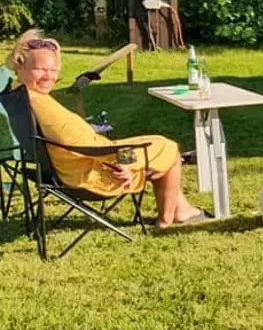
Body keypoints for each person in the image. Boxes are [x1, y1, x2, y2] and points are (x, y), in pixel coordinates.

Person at [5, 29, 210, 228]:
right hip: (92, 175)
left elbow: (78, 142)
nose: (48, 77)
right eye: (41, 69)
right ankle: (167, 220)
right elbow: (87, 146)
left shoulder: (20, 95)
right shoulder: (40, 103)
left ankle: (181, 210)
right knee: (169, 149)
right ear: (20, 67)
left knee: (156, 146)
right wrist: (127, 162)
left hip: (75, 165)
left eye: (53, 70)